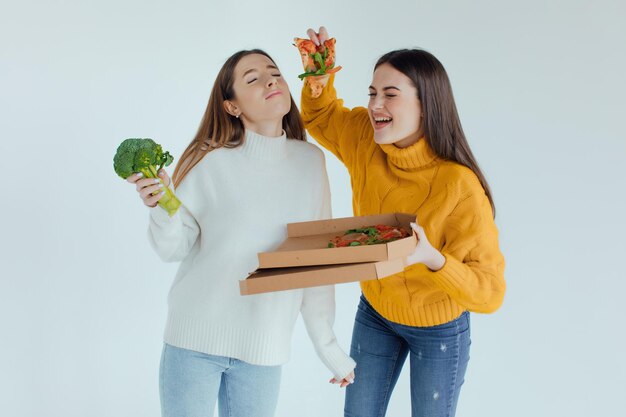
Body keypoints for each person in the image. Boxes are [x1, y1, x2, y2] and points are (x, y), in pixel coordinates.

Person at [127, 49, 355, 417]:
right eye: (252, 79)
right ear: (232, 106)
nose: (270, 81)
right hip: (193, 342)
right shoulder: (210, 159)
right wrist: (161, 208)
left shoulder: (311, 163)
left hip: (264, 349)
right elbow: (174, 248)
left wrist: (329, 349)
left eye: (275, 73)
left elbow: (316, 263)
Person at [297, 27, 506, 417]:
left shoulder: (458, 185)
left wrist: (433, 260)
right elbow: (322, 116)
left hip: (439, 327)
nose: (376, 105)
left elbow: (490, 292)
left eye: (390, 95)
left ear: (426, 105)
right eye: (372, 93)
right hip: (376, 312)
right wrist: (317, 83)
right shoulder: (365, 139)